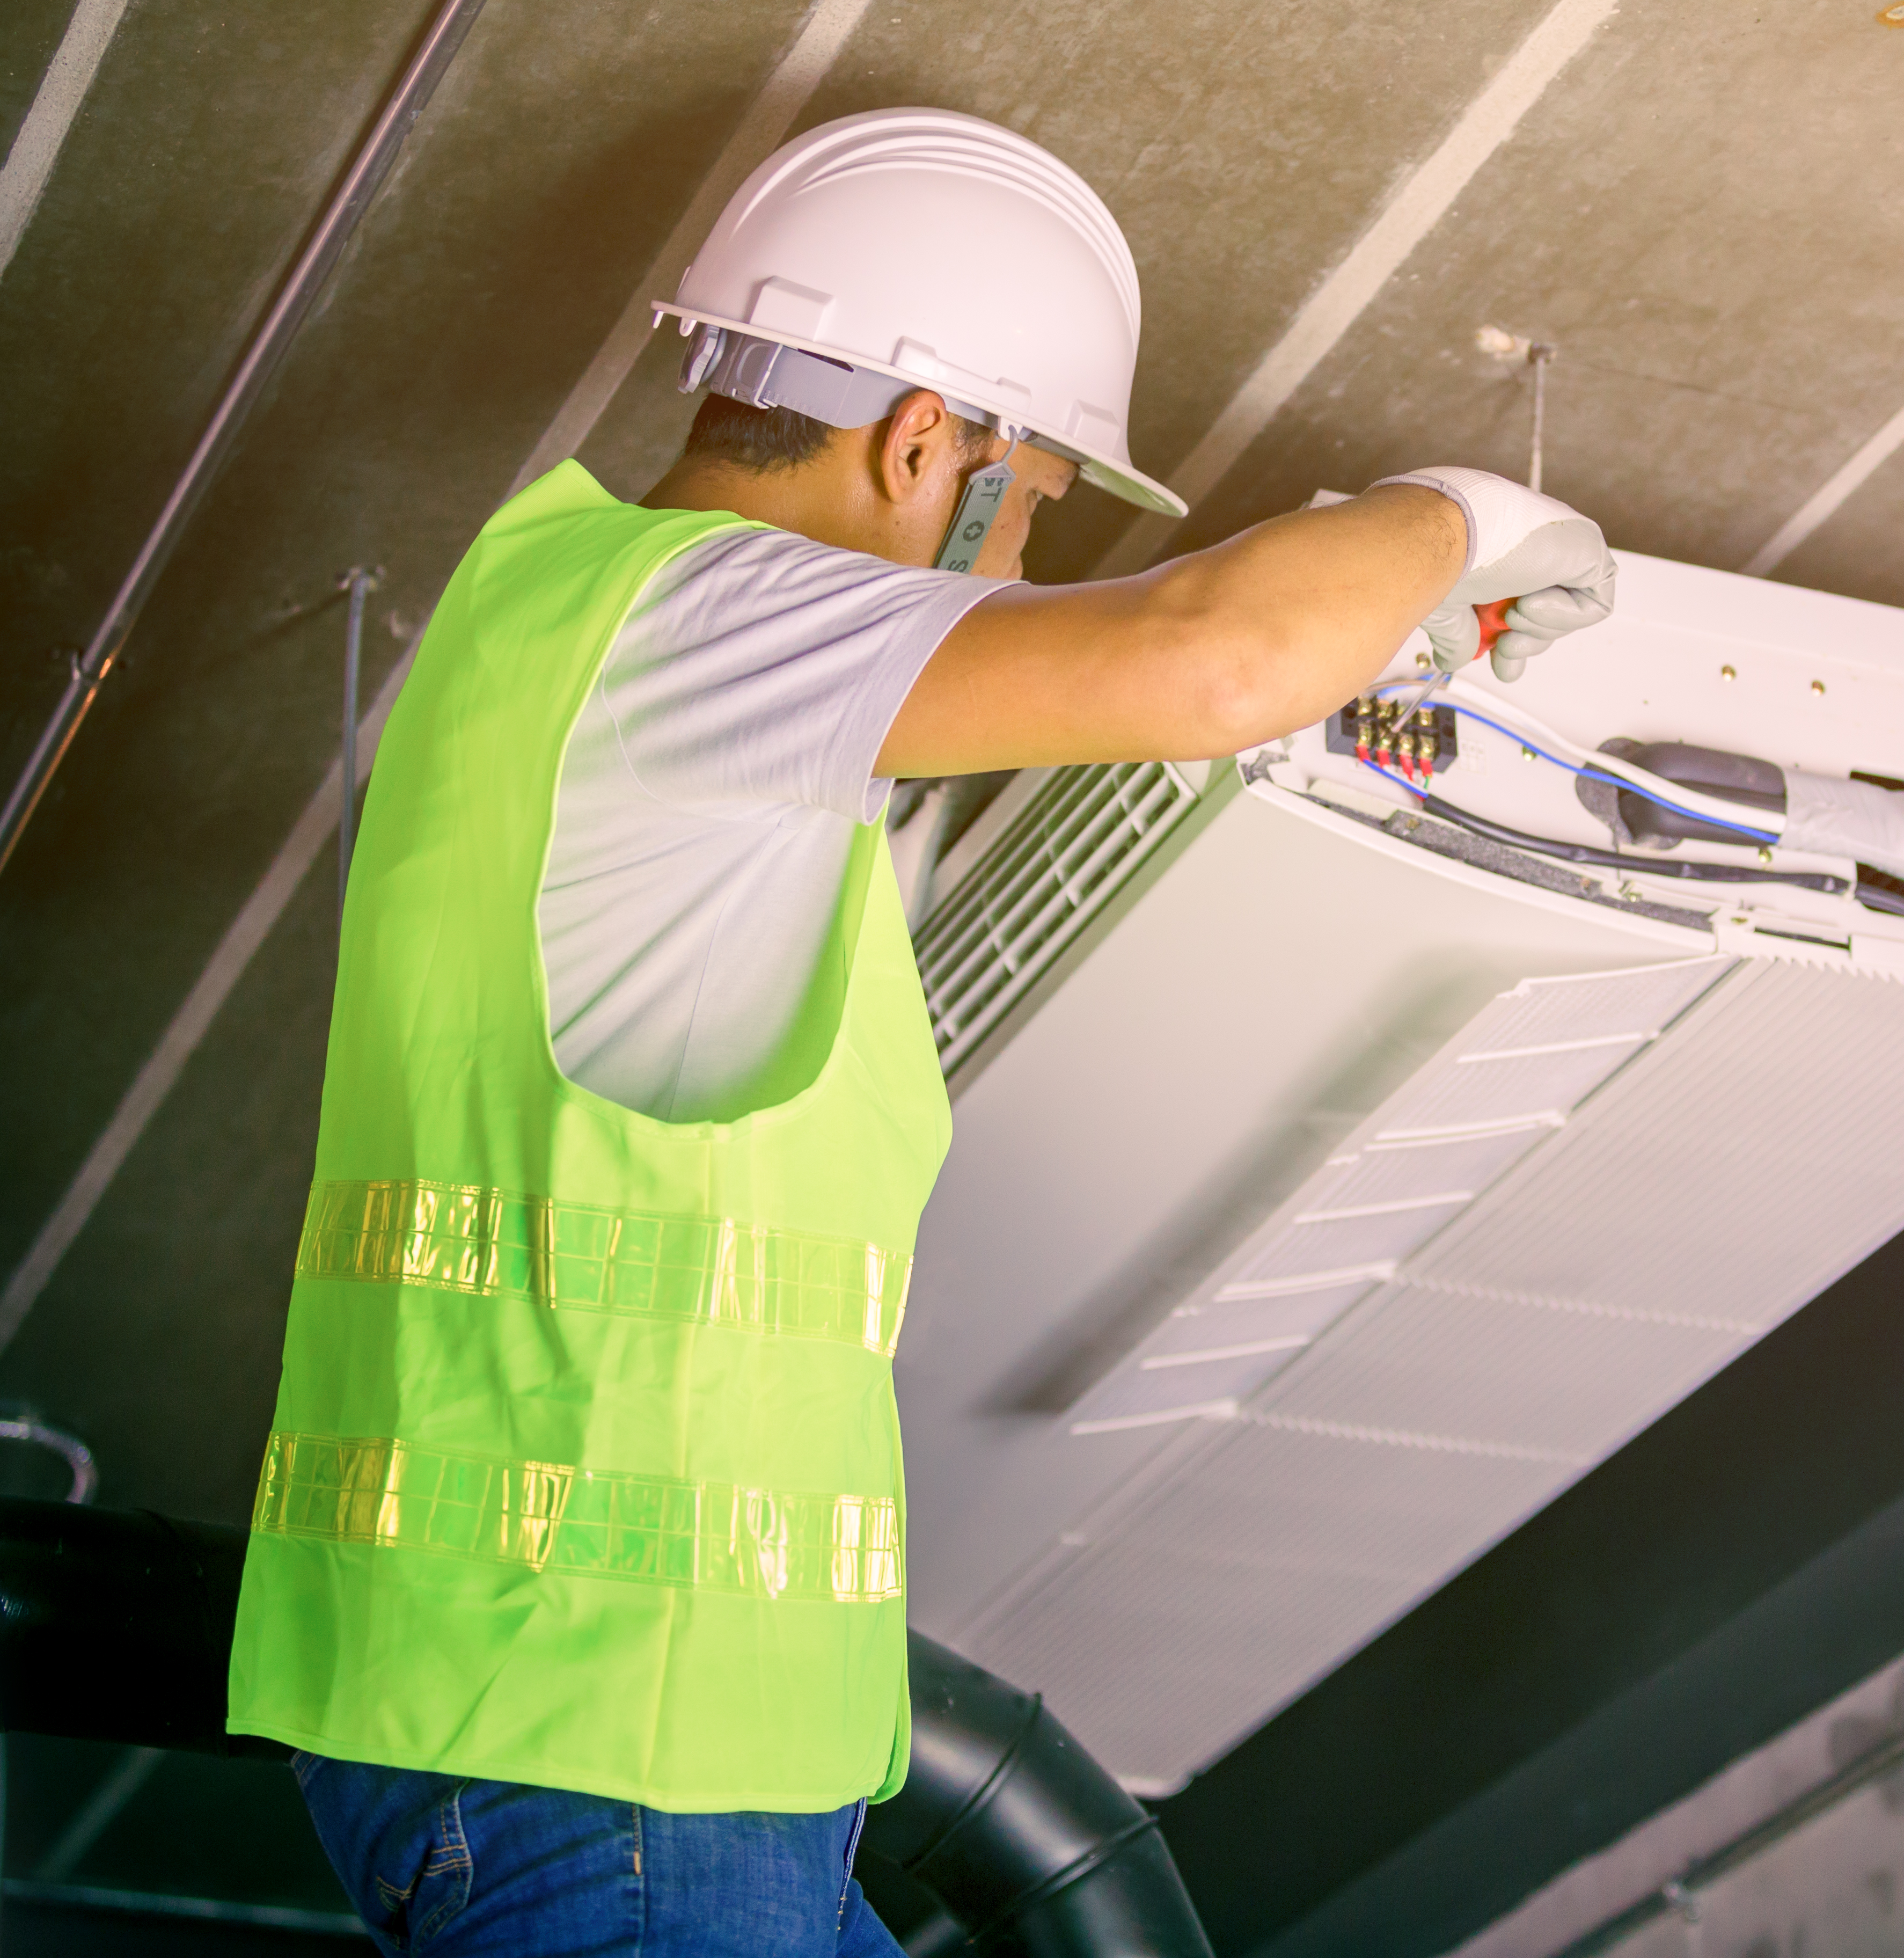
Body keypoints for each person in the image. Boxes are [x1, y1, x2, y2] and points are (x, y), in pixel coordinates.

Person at [226, 107, 1615, 1955]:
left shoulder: (571, 630)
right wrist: (1463, 518)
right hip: (615, 1759)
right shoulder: (707, 618)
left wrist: (1401, 640)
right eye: (1035, 496)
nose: (1032, 559)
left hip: (600, 1744)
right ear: (920, 444)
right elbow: (1210, 661)